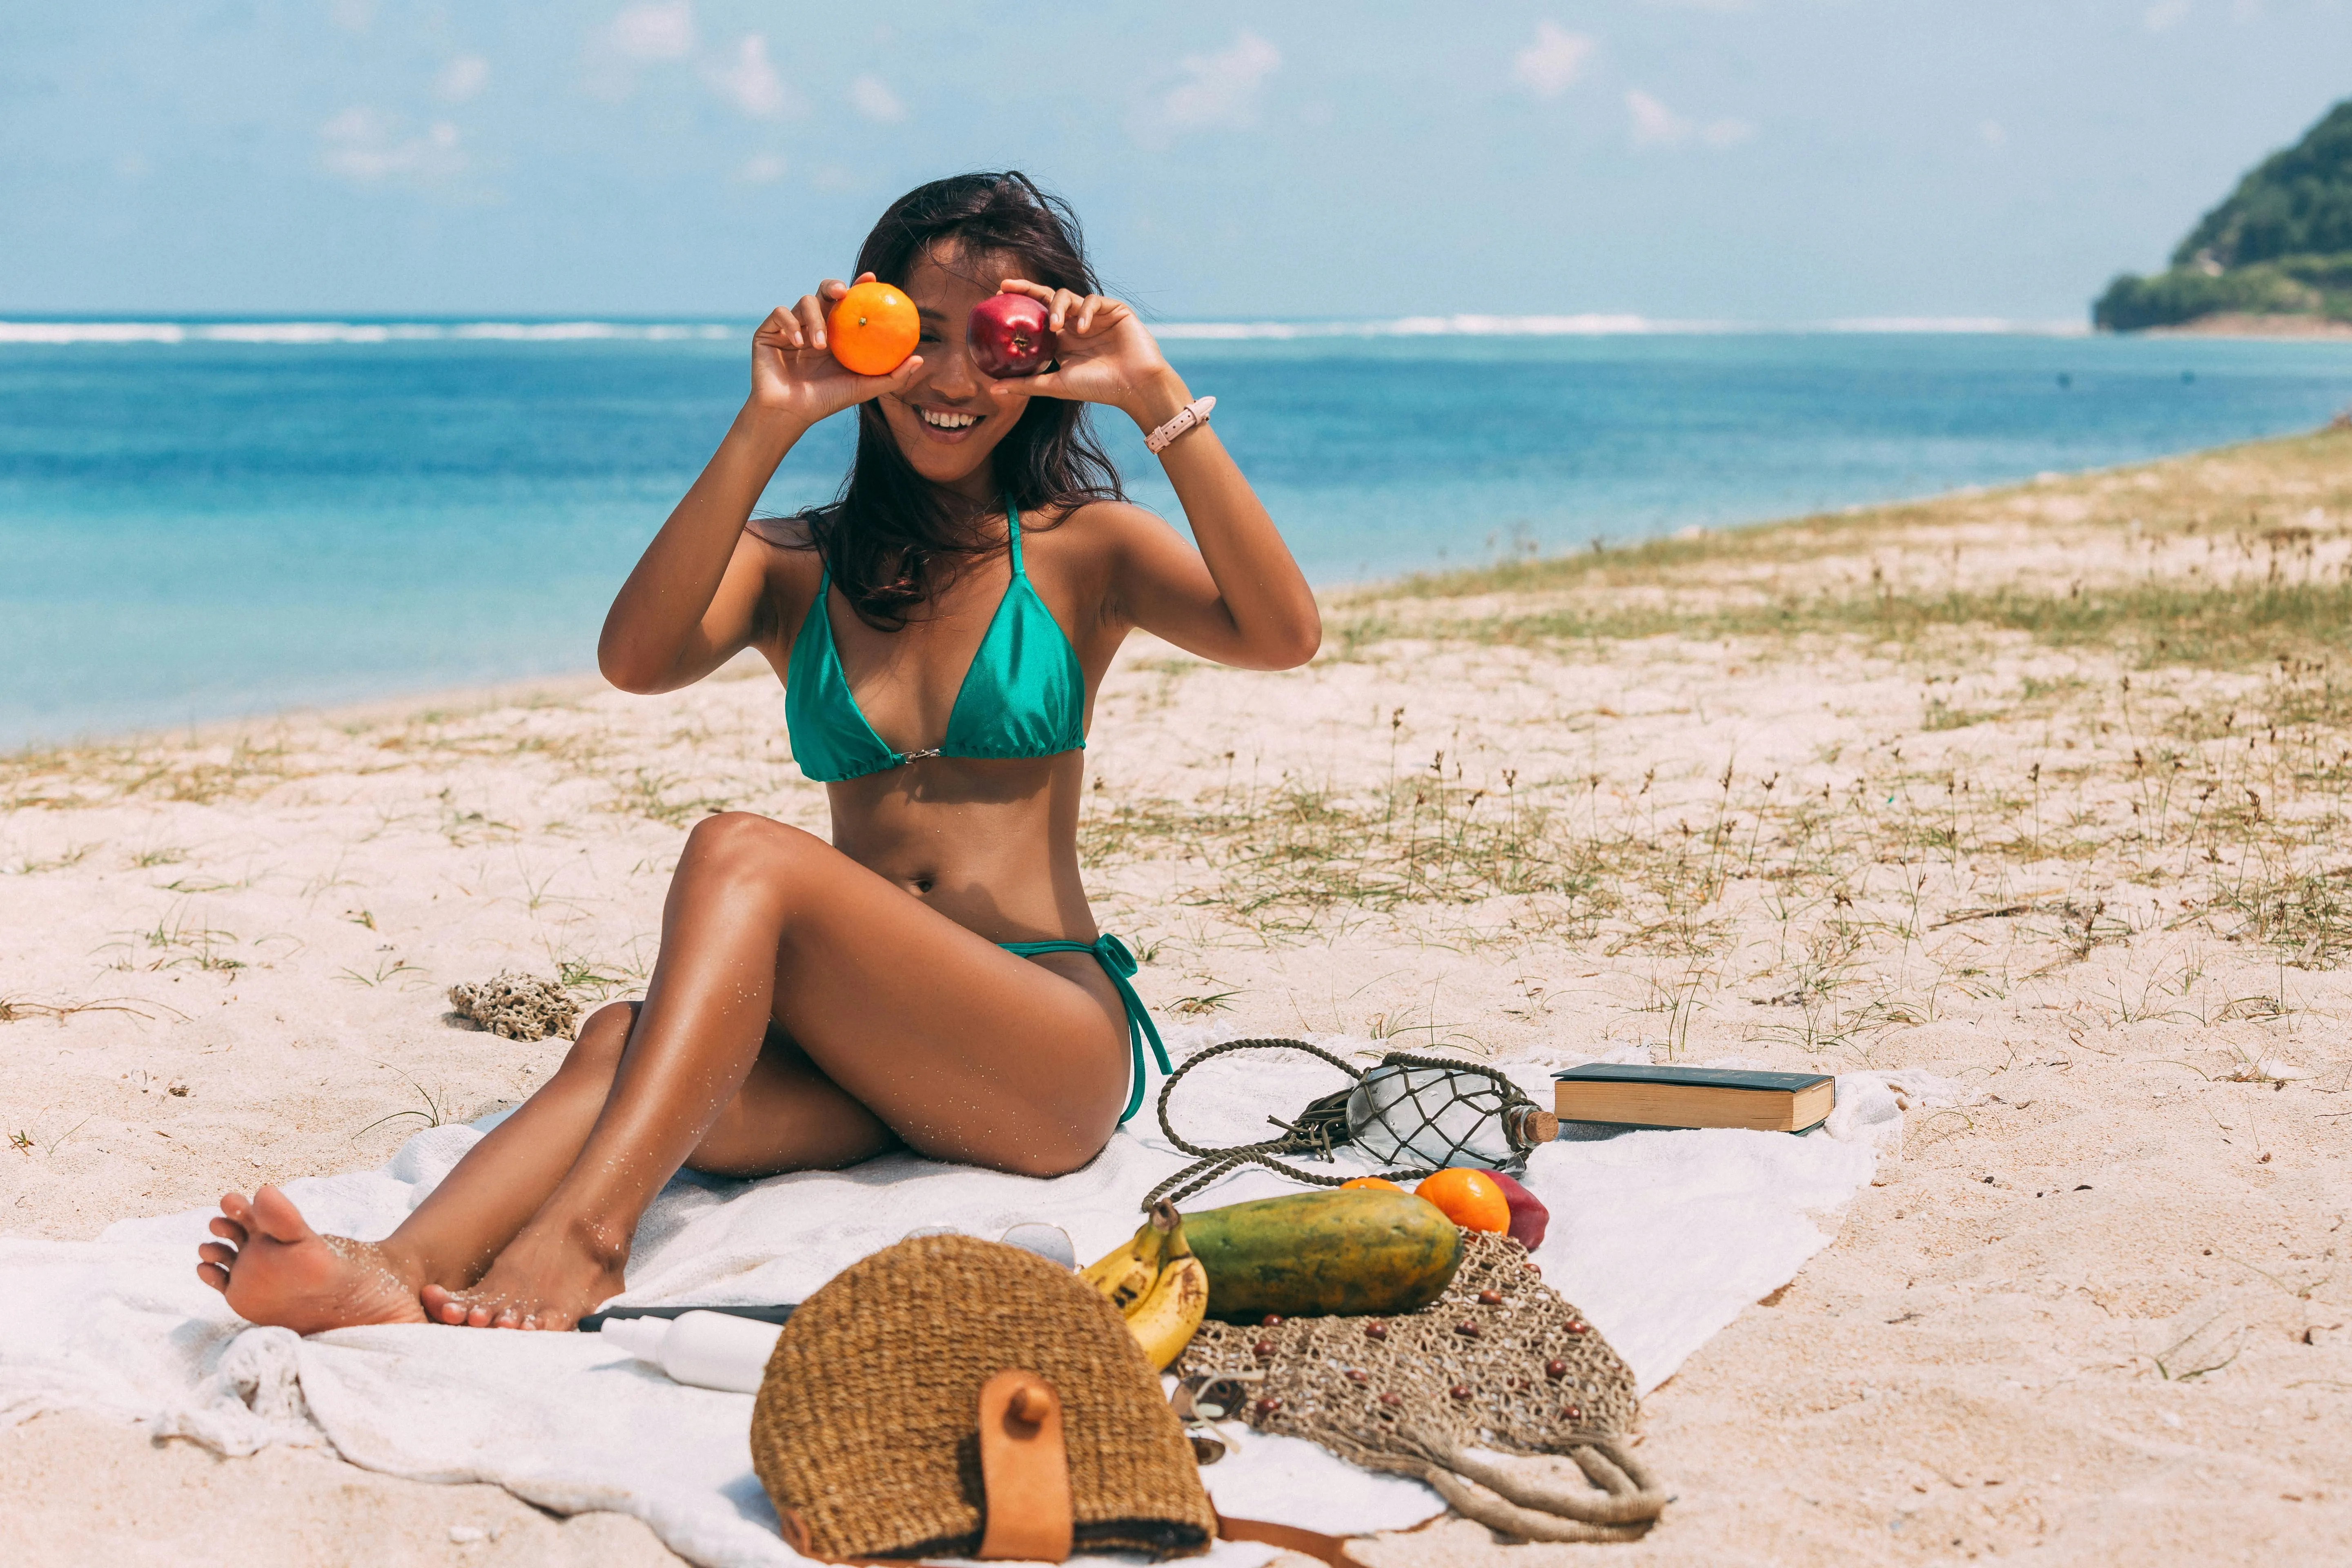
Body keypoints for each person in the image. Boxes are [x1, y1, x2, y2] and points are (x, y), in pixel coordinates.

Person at [194, 172, 1319, 1332]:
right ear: (864, 343)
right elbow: (635, 658)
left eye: (993, 342)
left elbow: (1285, 634)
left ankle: (587, 1240)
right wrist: (769, 419)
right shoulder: (795, 566)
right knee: (620, 1044)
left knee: (742, 852)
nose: (950, 380)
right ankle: (389, 1268)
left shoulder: (1087, 548)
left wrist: (1154, 393)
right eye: (916, 339)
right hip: (873, 1064)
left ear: (1043, 357)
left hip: (1043, 1048)